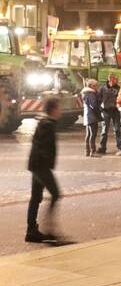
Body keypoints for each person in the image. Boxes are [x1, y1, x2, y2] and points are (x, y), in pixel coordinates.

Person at [26, 98, 62, 243]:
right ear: (53, 109)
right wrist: (46, 163)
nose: (60, 111)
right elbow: (41, 146)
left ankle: (31, 231)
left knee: (35, 198)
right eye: (58, 108)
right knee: (56, 194)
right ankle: (49, 227)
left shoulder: (44, 122)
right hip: (41, 166)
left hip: (36, 165)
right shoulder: (47, 124)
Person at [97, 74, 121, 156]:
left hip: (116, 112)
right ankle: (102, 148)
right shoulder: (102, 88)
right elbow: (98, 98)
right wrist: (100, 109)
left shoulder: (118, 88)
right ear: (110, 80)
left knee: (117, 130)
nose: (117, 81)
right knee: (104, 131)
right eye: (116, 79)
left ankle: (120, 147)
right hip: (106, 112)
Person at [81, 78, 102, 157]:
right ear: (91, 86)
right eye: (95, 85)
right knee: (92, 135)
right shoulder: (90, 94)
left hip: (88, 116)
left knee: (89, 134)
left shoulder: (86, 93)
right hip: (92, 116)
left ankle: (87, 151)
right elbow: (93, 105)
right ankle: (93, 152)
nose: (97, 87)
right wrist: (99, 111)